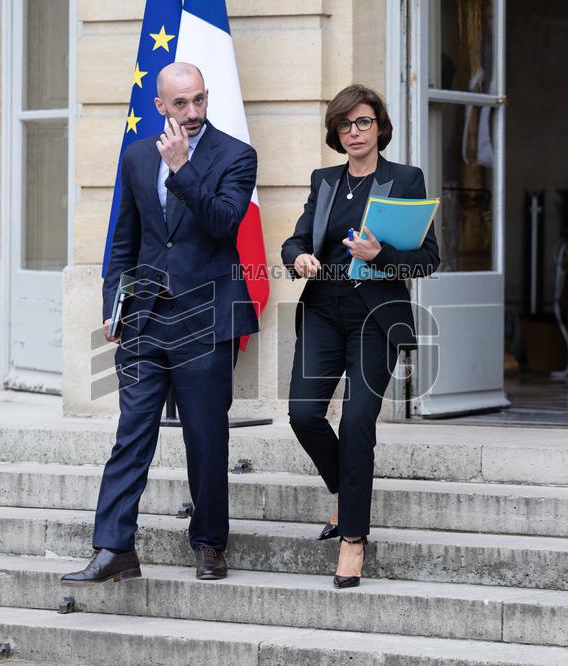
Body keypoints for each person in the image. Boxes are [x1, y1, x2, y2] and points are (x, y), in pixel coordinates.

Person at [61, 62, 258, 585]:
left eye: (198, 101)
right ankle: (114, 548)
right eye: (180, 104)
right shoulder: (136, 155)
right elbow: (123, 239)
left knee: (205, 439)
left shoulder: (236, 155)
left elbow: (222, 223)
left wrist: (183, 168)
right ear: (160, 107)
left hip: (204, 319)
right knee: (132, 434)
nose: (192, 113)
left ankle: (210, 543)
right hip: (145, 320)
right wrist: (114, 305)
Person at [280, 84, 439, 588]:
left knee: (357, 423)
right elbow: (296, 239)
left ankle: (352, 538)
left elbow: (429, 258)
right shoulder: (324, 180)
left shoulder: (404, 179)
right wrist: (297, 257)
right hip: (324, 310)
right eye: (345, 124)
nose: (354, 132)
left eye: (363, 122)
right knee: (303, 414)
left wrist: (381, 258)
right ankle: (346, 494)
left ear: (379, 127)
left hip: (376, 316)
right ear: (335, 132)